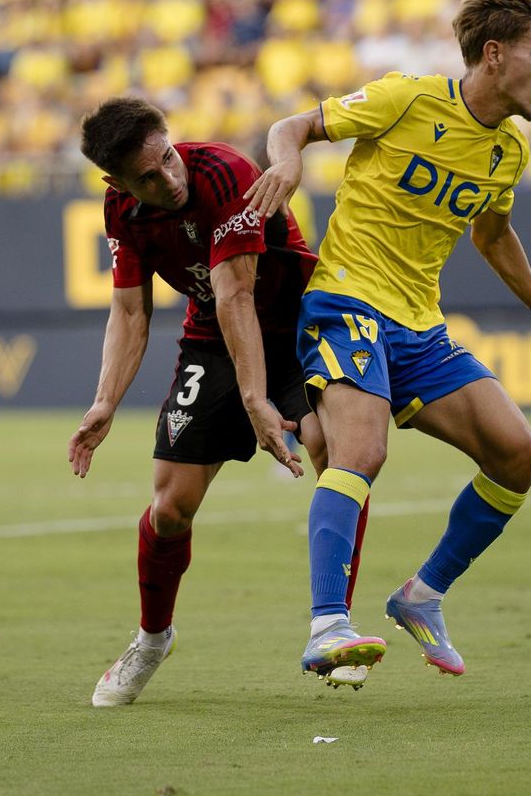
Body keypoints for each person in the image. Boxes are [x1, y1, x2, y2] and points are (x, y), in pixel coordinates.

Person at [247, 0, 531, 687]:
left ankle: (423, 594)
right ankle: (326, 627)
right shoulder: (407, 98)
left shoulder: (508, 151)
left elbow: (493, 236)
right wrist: (287, 159)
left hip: (418, 325)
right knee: (361, 450)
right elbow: (292, 128)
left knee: (518, 454)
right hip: (346, 301)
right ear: (496, 54)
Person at [70, 96, 372, 706]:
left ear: (172, 140)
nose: (168, 179)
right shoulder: (120, 211)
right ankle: (152, 638)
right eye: (147, 177)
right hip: (213, 341)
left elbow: (237, 293)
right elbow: (130, 310)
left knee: (328, 447)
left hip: (299, 326)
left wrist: (257, 399)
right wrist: (105, 401)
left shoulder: (223, 172)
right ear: (116, 183)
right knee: (171, 505)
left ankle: (331, 624)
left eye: (168, 159)